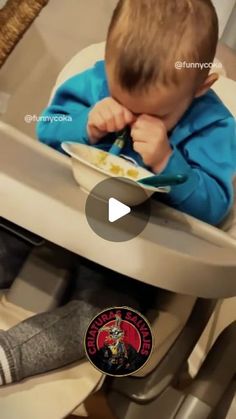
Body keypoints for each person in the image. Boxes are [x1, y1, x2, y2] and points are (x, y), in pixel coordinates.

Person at [0, 0, 235, 386]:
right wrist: (85, 126)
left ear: (202, 85)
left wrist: (166, 161)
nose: (132, 118)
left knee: (116, 326)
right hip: (59, 224)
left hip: (130, 259)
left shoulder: (215, 128)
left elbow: (213, 208)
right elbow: (46, 128)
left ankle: (10, 356)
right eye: (121, 100)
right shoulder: (95, 82)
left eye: (158, 115)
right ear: (108, 60)